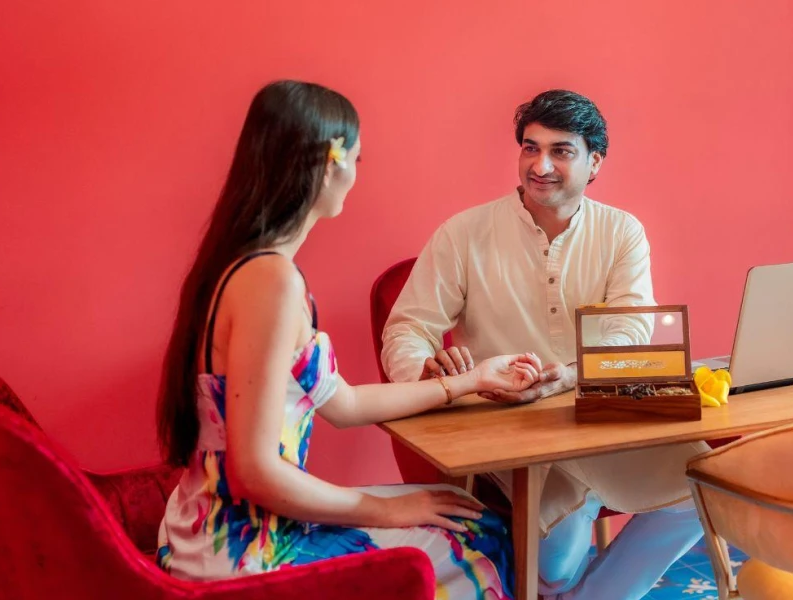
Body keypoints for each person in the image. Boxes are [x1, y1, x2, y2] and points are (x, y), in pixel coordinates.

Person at [155, 80, 544, 599]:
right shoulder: (269, 282)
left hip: (220, 523)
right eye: (358, 159)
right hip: (246, 550)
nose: (357, 175)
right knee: (478, 536)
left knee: (464, 511)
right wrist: (386, 509)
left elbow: (345, 402)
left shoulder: (250, 270)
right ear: (326, 164)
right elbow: (254, 472)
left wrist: (471, 381)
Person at [381, 90, 708, 600]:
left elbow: (631, 332)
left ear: (595, 160)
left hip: (599, 405)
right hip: (503, 420)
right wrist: (432, 374)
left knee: (704, 485)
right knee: (557, 558)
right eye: (530, 148)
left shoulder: (621, 232)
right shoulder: (465, 233)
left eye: (561, 151)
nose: (541, 165)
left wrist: (573, 373)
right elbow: (406, 328)